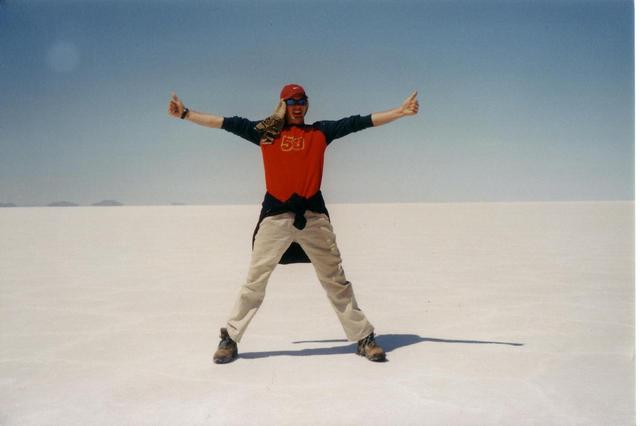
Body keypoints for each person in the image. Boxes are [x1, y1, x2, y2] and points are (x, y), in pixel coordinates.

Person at [168, 84, 419, 363]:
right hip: (276, 217)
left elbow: (358, 122)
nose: (297, 106)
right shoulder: (266, 132)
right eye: (291, 101)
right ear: (282, 104)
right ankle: (230, 338)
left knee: (336, 280)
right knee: (255, 281)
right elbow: (225, 123)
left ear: (307, 105)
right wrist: (185, 114)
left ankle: (363, 337)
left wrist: (399, 112)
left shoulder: (319, 132)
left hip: (314, 217)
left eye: (302, 101)